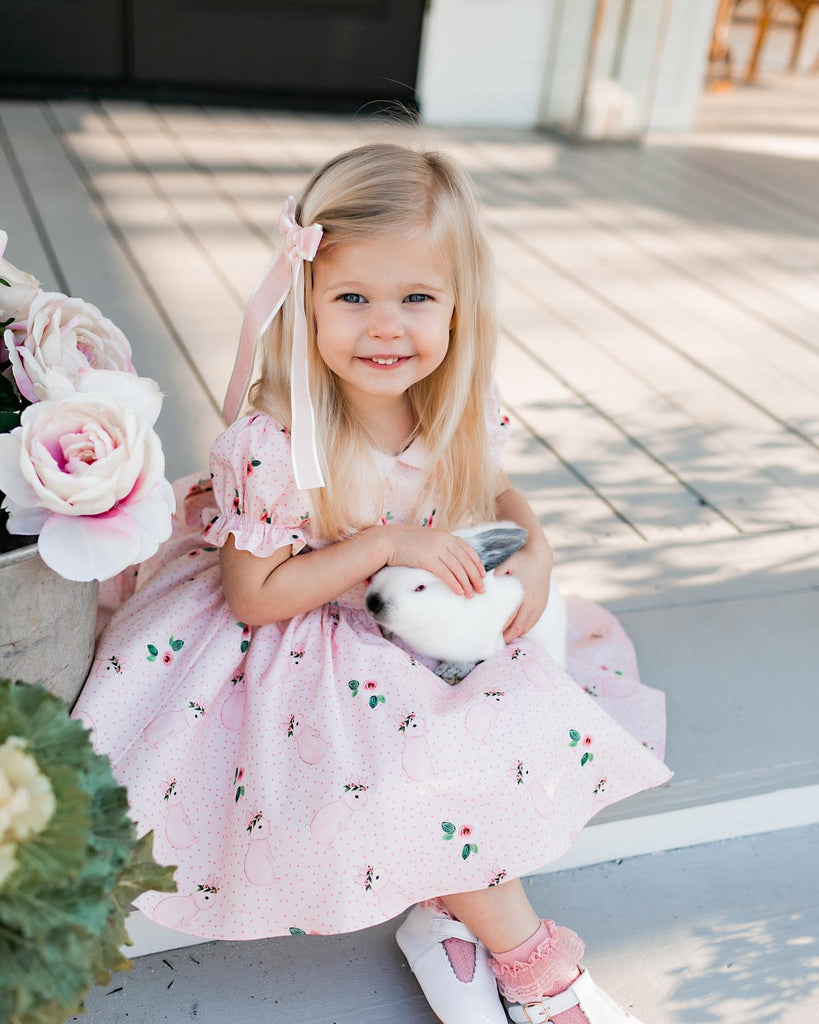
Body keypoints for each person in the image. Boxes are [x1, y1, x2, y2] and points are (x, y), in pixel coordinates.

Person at [73, 142, 672, 1024]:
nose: (384, 328)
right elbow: (254, 596)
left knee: (490, 728)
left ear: (459, 307)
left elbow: (501, 490)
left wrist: (534, 552)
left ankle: (450, 923)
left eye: (416, 299)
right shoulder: (274, 441)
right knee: (392, 759)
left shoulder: (455, 405)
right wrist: (383, 541)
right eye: (351, 297)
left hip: (410, 617)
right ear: (304, 300)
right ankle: (537, 972)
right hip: (284, 633)